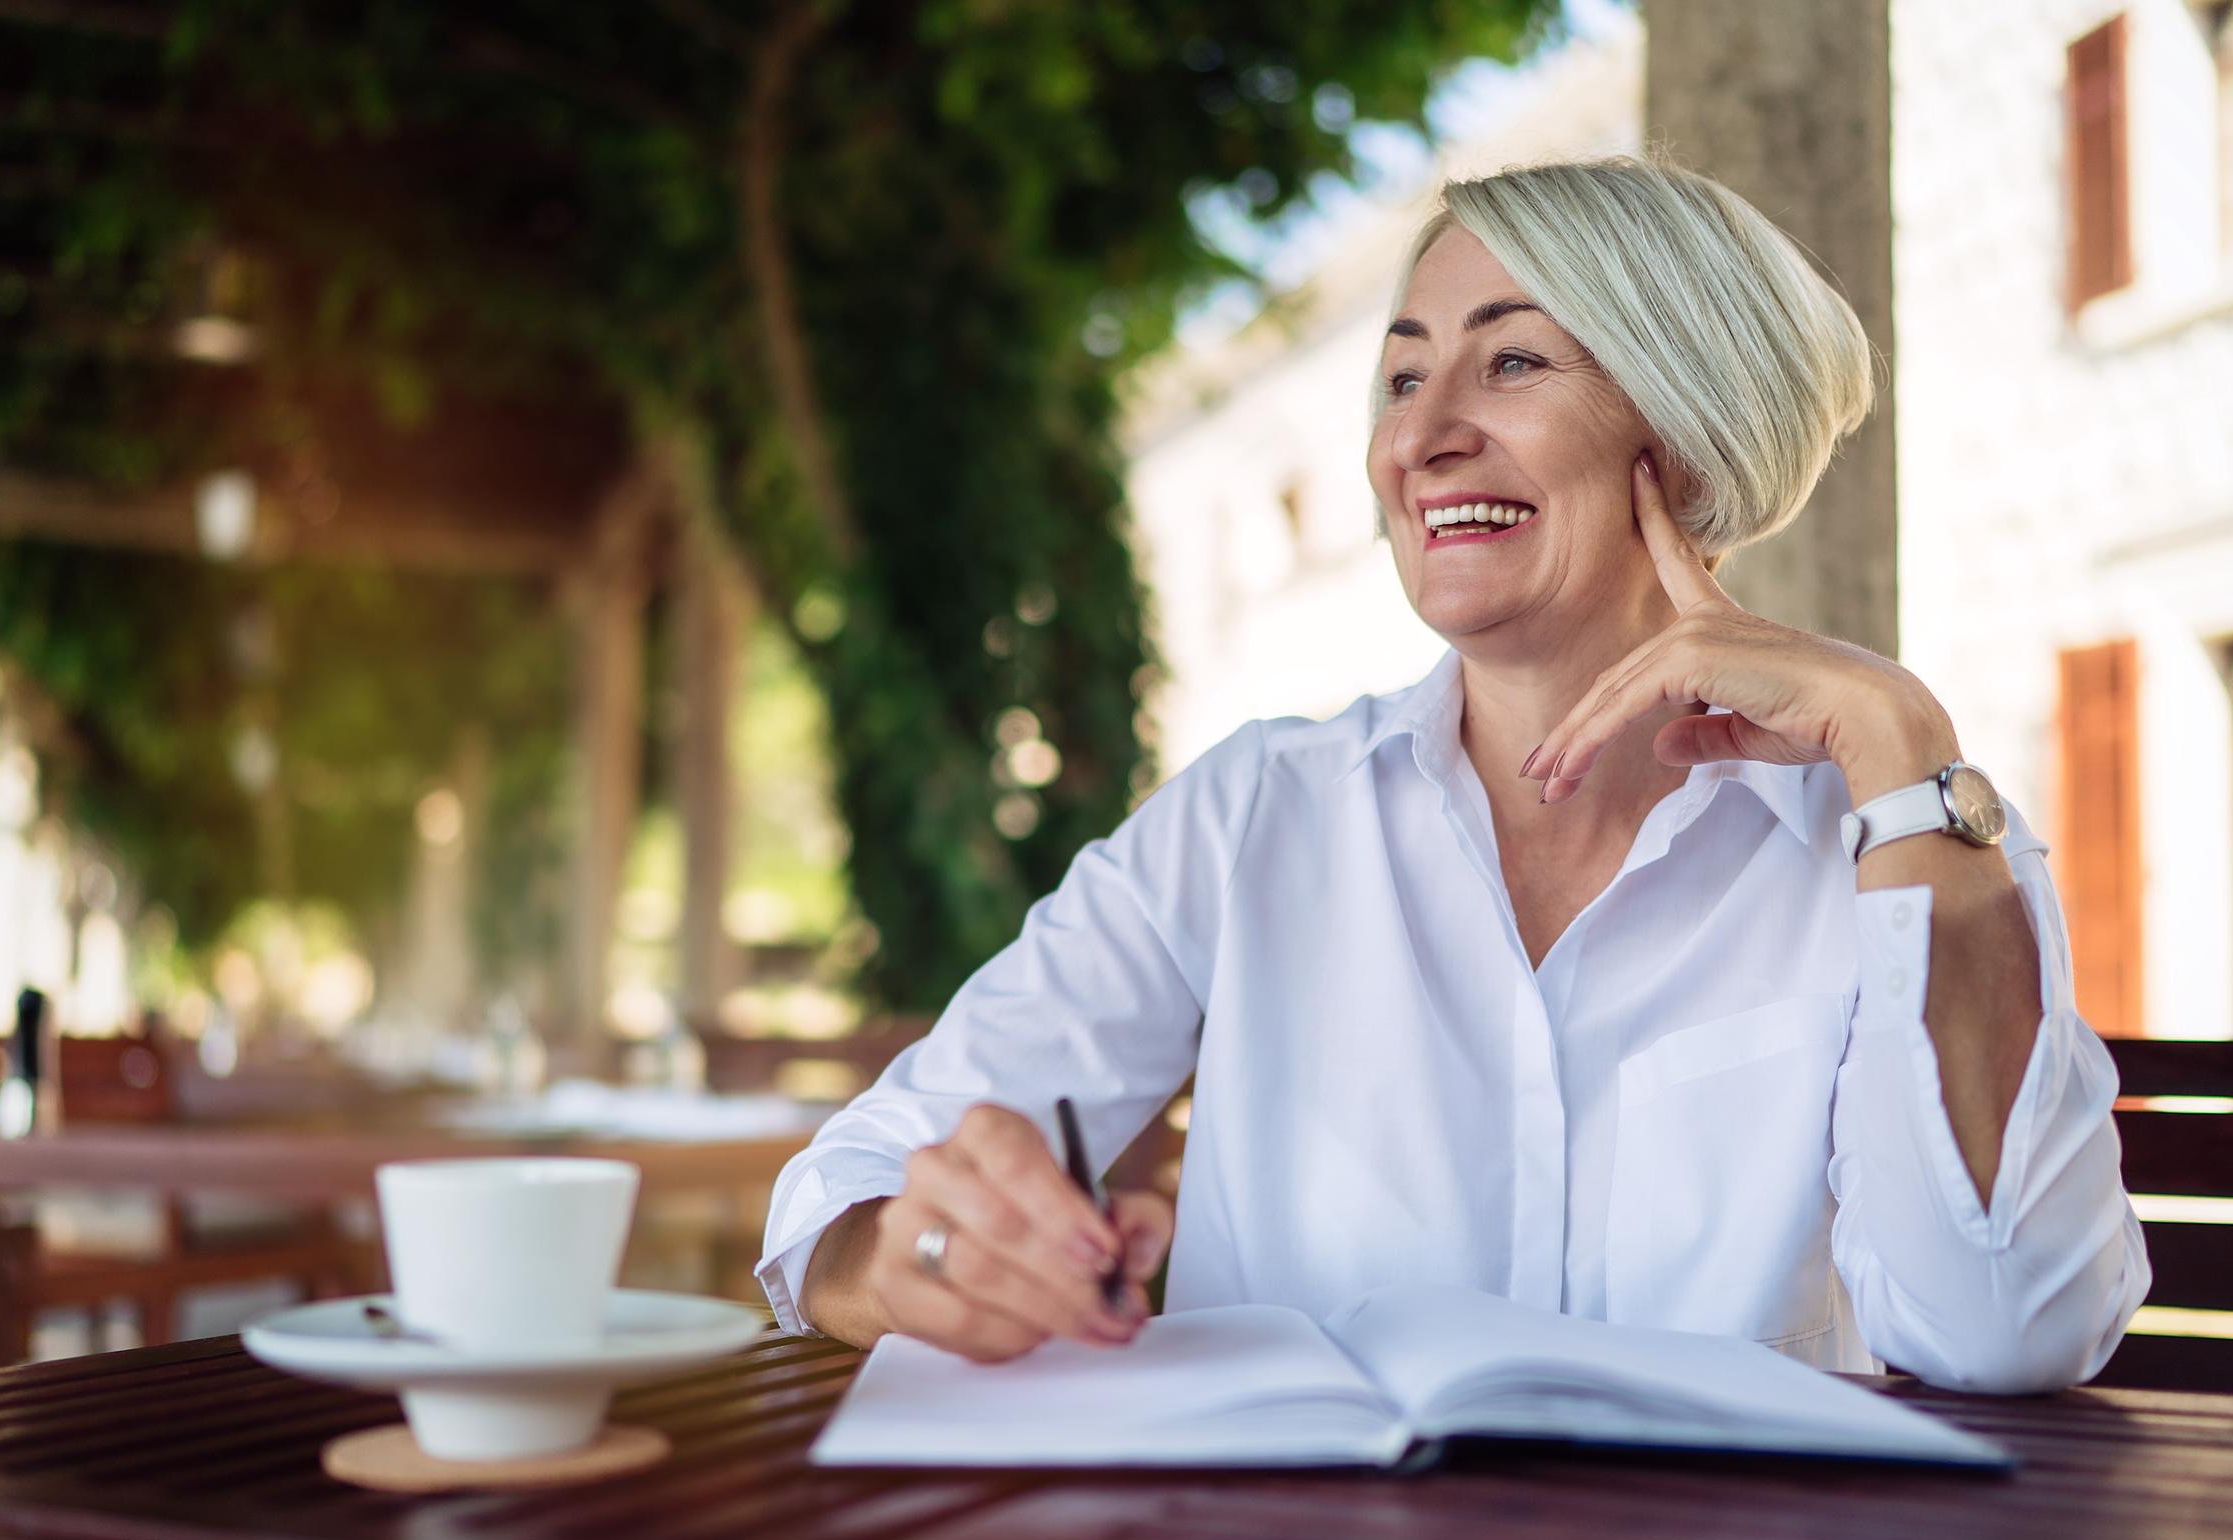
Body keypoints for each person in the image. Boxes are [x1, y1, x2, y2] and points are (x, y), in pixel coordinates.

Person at [755, 156, 2150, 1392]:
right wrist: (939, 1254)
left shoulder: (1900, 841)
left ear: (1683, 421)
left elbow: (2006, 1335)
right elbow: (839, 1203)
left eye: (1514, 362)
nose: (1419, 440)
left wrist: (1904, 751)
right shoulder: (1256, 818)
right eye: (1407, 376)